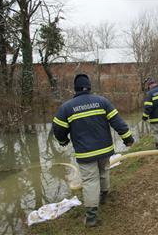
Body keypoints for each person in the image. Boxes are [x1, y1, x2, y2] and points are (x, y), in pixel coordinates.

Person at [52, 74, 134, 227]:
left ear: (75, 89)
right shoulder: (102, 101)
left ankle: (91, 217)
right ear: (89, 87)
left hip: (85, 153)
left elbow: (57, 129)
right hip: (105, 150)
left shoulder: (67, 107)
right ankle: (103, 197)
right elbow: (118, 122)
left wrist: (63, 141)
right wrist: (128, 138)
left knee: (90, 181)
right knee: (104, 172)